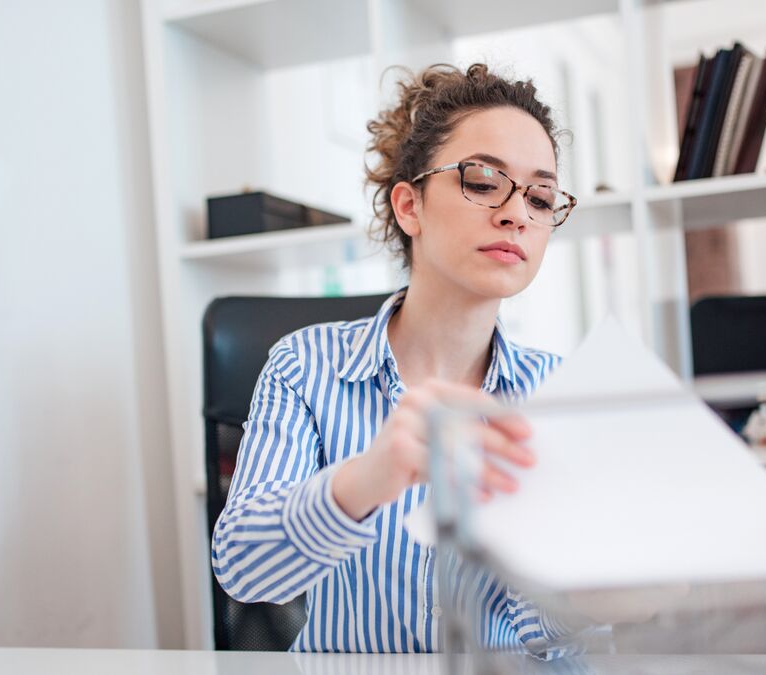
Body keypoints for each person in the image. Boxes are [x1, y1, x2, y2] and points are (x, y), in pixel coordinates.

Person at [211, 63, 578, 656]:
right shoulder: (305, 367)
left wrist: (599, 594)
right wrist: (367, 479)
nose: (519, 214)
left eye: (541, 196)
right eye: (483, 181)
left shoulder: (558, 390)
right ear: (410, 207)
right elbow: (246, 572)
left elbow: (548, 638)